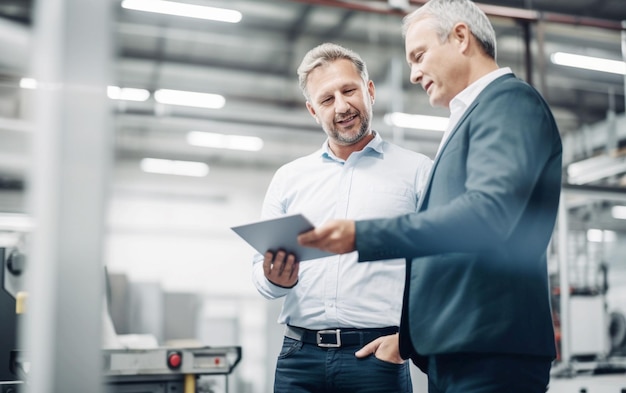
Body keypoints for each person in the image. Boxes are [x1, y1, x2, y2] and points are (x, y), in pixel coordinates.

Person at [298, 1, 563, 392]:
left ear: (460, 37)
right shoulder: (471, 116)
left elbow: (488, 216)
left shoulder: (509, 103)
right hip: (463, 349)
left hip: (490, 350)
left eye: (419, 56)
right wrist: (409, 338)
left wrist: (362, 235)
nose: (413, 73)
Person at [251, 42, 433, 393]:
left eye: (349, 90)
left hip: (376, 357)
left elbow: (438, 265)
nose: (342, 105)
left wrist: (407, 340)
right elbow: (260, 276)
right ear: (312, 111)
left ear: (370, 90)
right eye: (327, 99)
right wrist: (277, 279)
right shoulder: (290, 178)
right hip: (298, 357)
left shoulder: (416, 172)